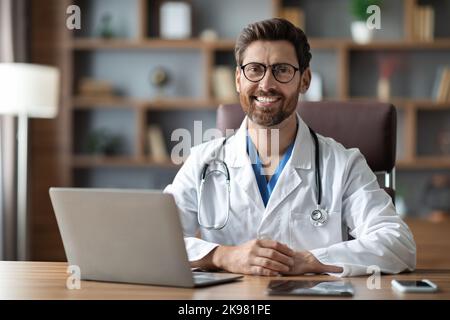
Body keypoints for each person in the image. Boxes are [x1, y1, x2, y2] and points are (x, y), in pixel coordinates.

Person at [164, 18, 416, 277]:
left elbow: (398, 245)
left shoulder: (344, 164)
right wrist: (223, 256)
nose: (266, 84)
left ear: (304, 80)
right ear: (238, 79)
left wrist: (310, 260)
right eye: (254, 69)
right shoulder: (202, 161)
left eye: (282, 70)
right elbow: (157, 239)